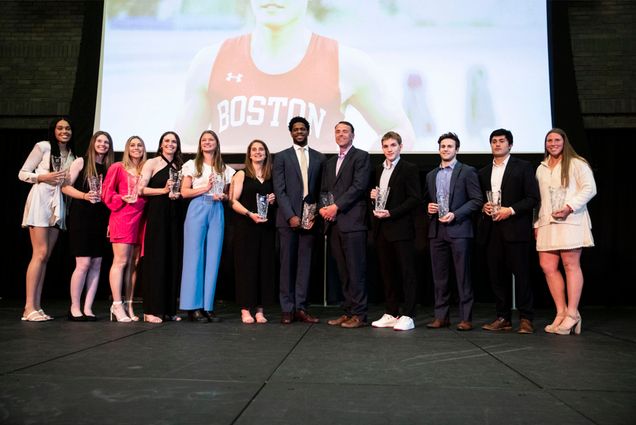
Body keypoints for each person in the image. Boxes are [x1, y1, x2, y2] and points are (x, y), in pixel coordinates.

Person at [177, 0, 415, 152]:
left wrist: (359, 173)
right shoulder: (210, 61)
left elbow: (398, 129)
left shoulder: (348, 63)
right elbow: (182, 144)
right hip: (235, 209)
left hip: (309, 210)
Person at [535, 128, 596, 335]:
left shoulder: (577, 163)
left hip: (571, 219)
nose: (553, 143)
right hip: (546, 222)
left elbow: (590, 188)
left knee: (570, 264)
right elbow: (540, 199)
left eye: (557, 140)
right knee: (547, 265)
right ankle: (561, 312)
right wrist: (536, 224)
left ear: (564, 141)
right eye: (549, 140)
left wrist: (569, 206)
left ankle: (573, 313)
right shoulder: (541, 168)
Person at [478, 128, 540, 334]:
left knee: (521, 275)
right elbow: (480, 199)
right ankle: (503, 317)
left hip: (515, 228)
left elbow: (532, 198)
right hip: (492, 230)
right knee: (497, 276)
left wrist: (510, 210)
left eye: (501, 141)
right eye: (494, 141)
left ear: (510, 145)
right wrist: (484, 207)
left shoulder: (522, 167)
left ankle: (526, 318)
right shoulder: (484, 171)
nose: (497, 144)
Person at [18, 117, 75, 322]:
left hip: (57, 202)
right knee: (39, 253)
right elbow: (22, 173)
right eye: (60, 128)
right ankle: (28, 307)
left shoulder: (71, 154)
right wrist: (42, 177)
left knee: (46, 256)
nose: (64, 131)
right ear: (53, 130)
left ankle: (37, 306)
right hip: (41, 198)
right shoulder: (43, 147)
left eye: (68, 128)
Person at [424, 132, 482, 331]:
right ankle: (442, 316)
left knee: (462, 275)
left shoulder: (467, 171)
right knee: (439, 276)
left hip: (459, 230)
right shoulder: (431, 175)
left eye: (450, 146)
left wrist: (456, 214)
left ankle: (466, 318)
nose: (445, 149)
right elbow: (427, 200)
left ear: (457, 149)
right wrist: (429, 208)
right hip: (437, 231)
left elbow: (476, 200)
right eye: (442, 146)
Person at [273, 116, 326, 324]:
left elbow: (322, 190)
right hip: (288, 220)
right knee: (287, 266)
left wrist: (314, 215)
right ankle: (287, 309)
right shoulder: (281, 157)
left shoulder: (320, 158)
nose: (299, 132)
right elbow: (279, 189)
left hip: (311, 220)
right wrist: (291, 216)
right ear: (290, 132)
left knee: (305, 266)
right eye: (295, 129)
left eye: (302, 128)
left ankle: (301, 308)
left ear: (308, 131)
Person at [179, 130, 235, 323]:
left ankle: (207, 306)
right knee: (194, 257)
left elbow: (229, 195)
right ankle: (192, 306)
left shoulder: (225, 169)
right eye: (204, 140)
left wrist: (223, 196)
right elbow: (184, 192)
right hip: (198, 206)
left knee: (213, 257)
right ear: (200, 144)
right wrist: (206, 188)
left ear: (216, 144)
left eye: (211, 140)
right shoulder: (192, 165)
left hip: (217, 209)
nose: (207, 142)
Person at [320, 121, 371, 328]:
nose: (341, 134)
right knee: (342, 270)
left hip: (353, 221)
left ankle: (359, 314)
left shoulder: (361, 156)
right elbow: (325, 190)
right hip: (334, 223)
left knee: (355, 270)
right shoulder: (330, 162)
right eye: (338, 131)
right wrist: (325, 208)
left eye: (345, 131)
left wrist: (336, 207)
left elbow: (359, 186)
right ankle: (348, 311)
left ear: (353, 135)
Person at [369, 131, 422, 331]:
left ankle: (408, 314)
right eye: (386, 146)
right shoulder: (378, 169)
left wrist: (391, 212)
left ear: (400, 147)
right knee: (387, 272)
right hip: (381, 229)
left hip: (401, 228)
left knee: (407, 272)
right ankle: (391, 312)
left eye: (393, 145)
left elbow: (415, 198)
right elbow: (379, 198)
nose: (389, 149)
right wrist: (373, 196)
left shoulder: (409, 168)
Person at [62, 131, 114, 321]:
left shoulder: (109, 168)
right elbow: (65, 186)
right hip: (82, 216)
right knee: (83, 263)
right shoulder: (80, 162)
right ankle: (74, 307)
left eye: (106, 142)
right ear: (93, 143)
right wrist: (84, 196)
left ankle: (88, 307)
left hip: (101, 217)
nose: (103, 144)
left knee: (97, 263)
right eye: (99, 141)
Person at [138, 131, 185, 323]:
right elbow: (141, 189)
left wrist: (177, 194)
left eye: (174, 141)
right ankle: (150, 311)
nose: (170, 144)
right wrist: (163, 191)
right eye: (167, 141)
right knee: (156, 261)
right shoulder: (152, 162)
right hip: (157, 215)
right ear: (160, 144)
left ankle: (169, 310)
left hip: (174, 215)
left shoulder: (180, 166)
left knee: (172, 260)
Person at [230, 140, 277, 324]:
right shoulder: (241, 174)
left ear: (266, 154)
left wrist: (273, 199)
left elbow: (273, 200)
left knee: (264, 268)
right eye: (254, 150)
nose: (258, 152)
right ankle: (245, 309)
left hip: (265, 228)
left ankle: (259, 310)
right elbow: (233, 201)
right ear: (249, 154)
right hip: (246, 227)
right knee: (246, 268)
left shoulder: (271, 175)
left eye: (261, 149)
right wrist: (250, 214)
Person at [102, 135, 148, 322]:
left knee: (133, 264)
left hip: (141, 219)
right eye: (133, 145)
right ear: (127, 148)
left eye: (140, 145)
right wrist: (121, 198)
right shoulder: (117, 167)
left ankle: (129, 305)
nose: (136, 148)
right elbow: (106, 191)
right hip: (123, 217)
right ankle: (117, 305)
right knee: (120, 261)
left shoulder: (145, 170)